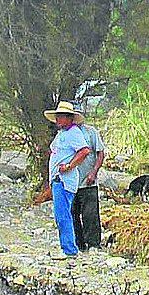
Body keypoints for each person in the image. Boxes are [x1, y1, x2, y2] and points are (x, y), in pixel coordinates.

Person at [41, 101, 92, 259]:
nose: (57, 119)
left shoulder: (73, 133)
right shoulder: (62, 133)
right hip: (58, 179)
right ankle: (67, 247)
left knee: (63, 215)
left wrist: (69, 166)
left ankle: (69, 250)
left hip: (64, 180)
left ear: (69, 118)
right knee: (61, 215)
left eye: (60, 116)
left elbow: (84, 151)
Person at [71, 104, 107, 251]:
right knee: (72, 215)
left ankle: (94, 245)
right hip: (71, 182)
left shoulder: (91, 132)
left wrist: (94, 172)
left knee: (90, 215)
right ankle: (78, 245)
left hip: (88, 181)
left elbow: (100, 153)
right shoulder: (64, 134)